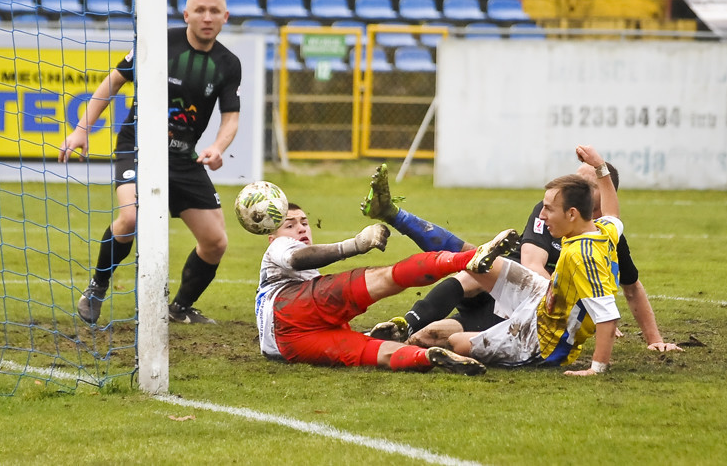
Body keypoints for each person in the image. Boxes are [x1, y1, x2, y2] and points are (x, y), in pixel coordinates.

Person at [59, 0, 241, 325]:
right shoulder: (157, 43)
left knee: (215, 242)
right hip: (138, 147)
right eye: (199, 10)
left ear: (225, 17)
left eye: (214, 11)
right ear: (186, 14)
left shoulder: (228, 64)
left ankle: (180, 308)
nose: (206, 17)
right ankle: (98, 286)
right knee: (130, 218)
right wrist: (82, 129)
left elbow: (231, 117)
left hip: (183, 158)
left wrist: (217, 148)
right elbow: (112, 82)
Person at [363, 163, 682, 353]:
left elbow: (632, 287)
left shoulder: (608, 236)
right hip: (510, 283)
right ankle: (404, 323)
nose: (572, 186)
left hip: (526, 314)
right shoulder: (551, 210)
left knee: (437, 336)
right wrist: (586, 308)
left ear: (602, 193)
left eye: (584, 183)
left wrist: (654, 340)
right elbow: (530, 264)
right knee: (472, 266)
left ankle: (403, 339)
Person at [254, 202, 521, 375]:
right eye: (290, 225)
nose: (300, 228)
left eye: (303, 222)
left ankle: (425, 356)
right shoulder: (277, 248)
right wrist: (355, 245)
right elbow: (297, 259)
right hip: (287, 306)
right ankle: (467, 259)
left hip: (286, 347)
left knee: (370, 350)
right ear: (271, 237)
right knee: (386, 278)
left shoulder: (288, 264)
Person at [447, 145, 621, 375]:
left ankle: (417, 347)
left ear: (572, 214)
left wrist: (596, 369)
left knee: (455, 342)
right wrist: (600, 167)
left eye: (549, 209)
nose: (541, 215)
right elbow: (612, 214)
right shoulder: (604, 229)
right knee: (475, 263)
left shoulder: (582, 256)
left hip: (543, 341)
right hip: (542, 302)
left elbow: (608, 317)